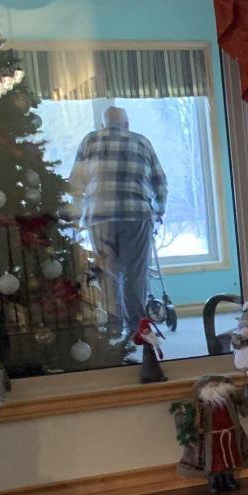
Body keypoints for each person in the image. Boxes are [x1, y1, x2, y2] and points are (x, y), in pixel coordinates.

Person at [68, 105, 166, 343]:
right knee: (136, 274)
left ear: (103, 125)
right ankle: (137, 328)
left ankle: (113, 327)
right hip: (137, 215)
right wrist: (159, 209)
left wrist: (77, 215)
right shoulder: (142, 142)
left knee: (108, 273)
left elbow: (76, 183)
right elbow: (160, 181)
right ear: (127, 124)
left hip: (100, 216)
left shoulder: (90, 141)